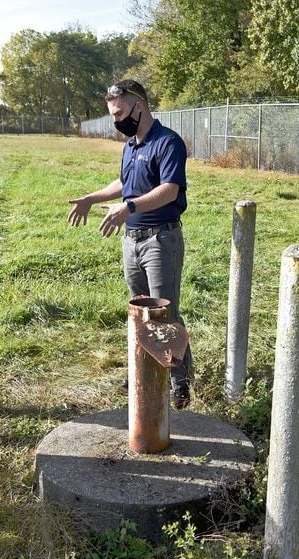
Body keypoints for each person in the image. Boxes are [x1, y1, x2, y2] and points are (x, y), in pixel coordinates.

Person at [67, 79, 193, 407]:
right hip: (132, 241)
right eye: (112, 115)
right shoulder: (132, 145)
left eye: (120, 113)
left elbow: (170, 189)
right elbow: (124, 182)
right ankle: (143, 367)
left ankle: (180, 381)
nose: (116, 121)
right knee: (139, 309)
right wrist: (91, 199)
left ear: (139, 106)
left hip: (160, 240)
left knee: (164, 311)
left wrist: (130, 207)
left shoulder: (168, 142)